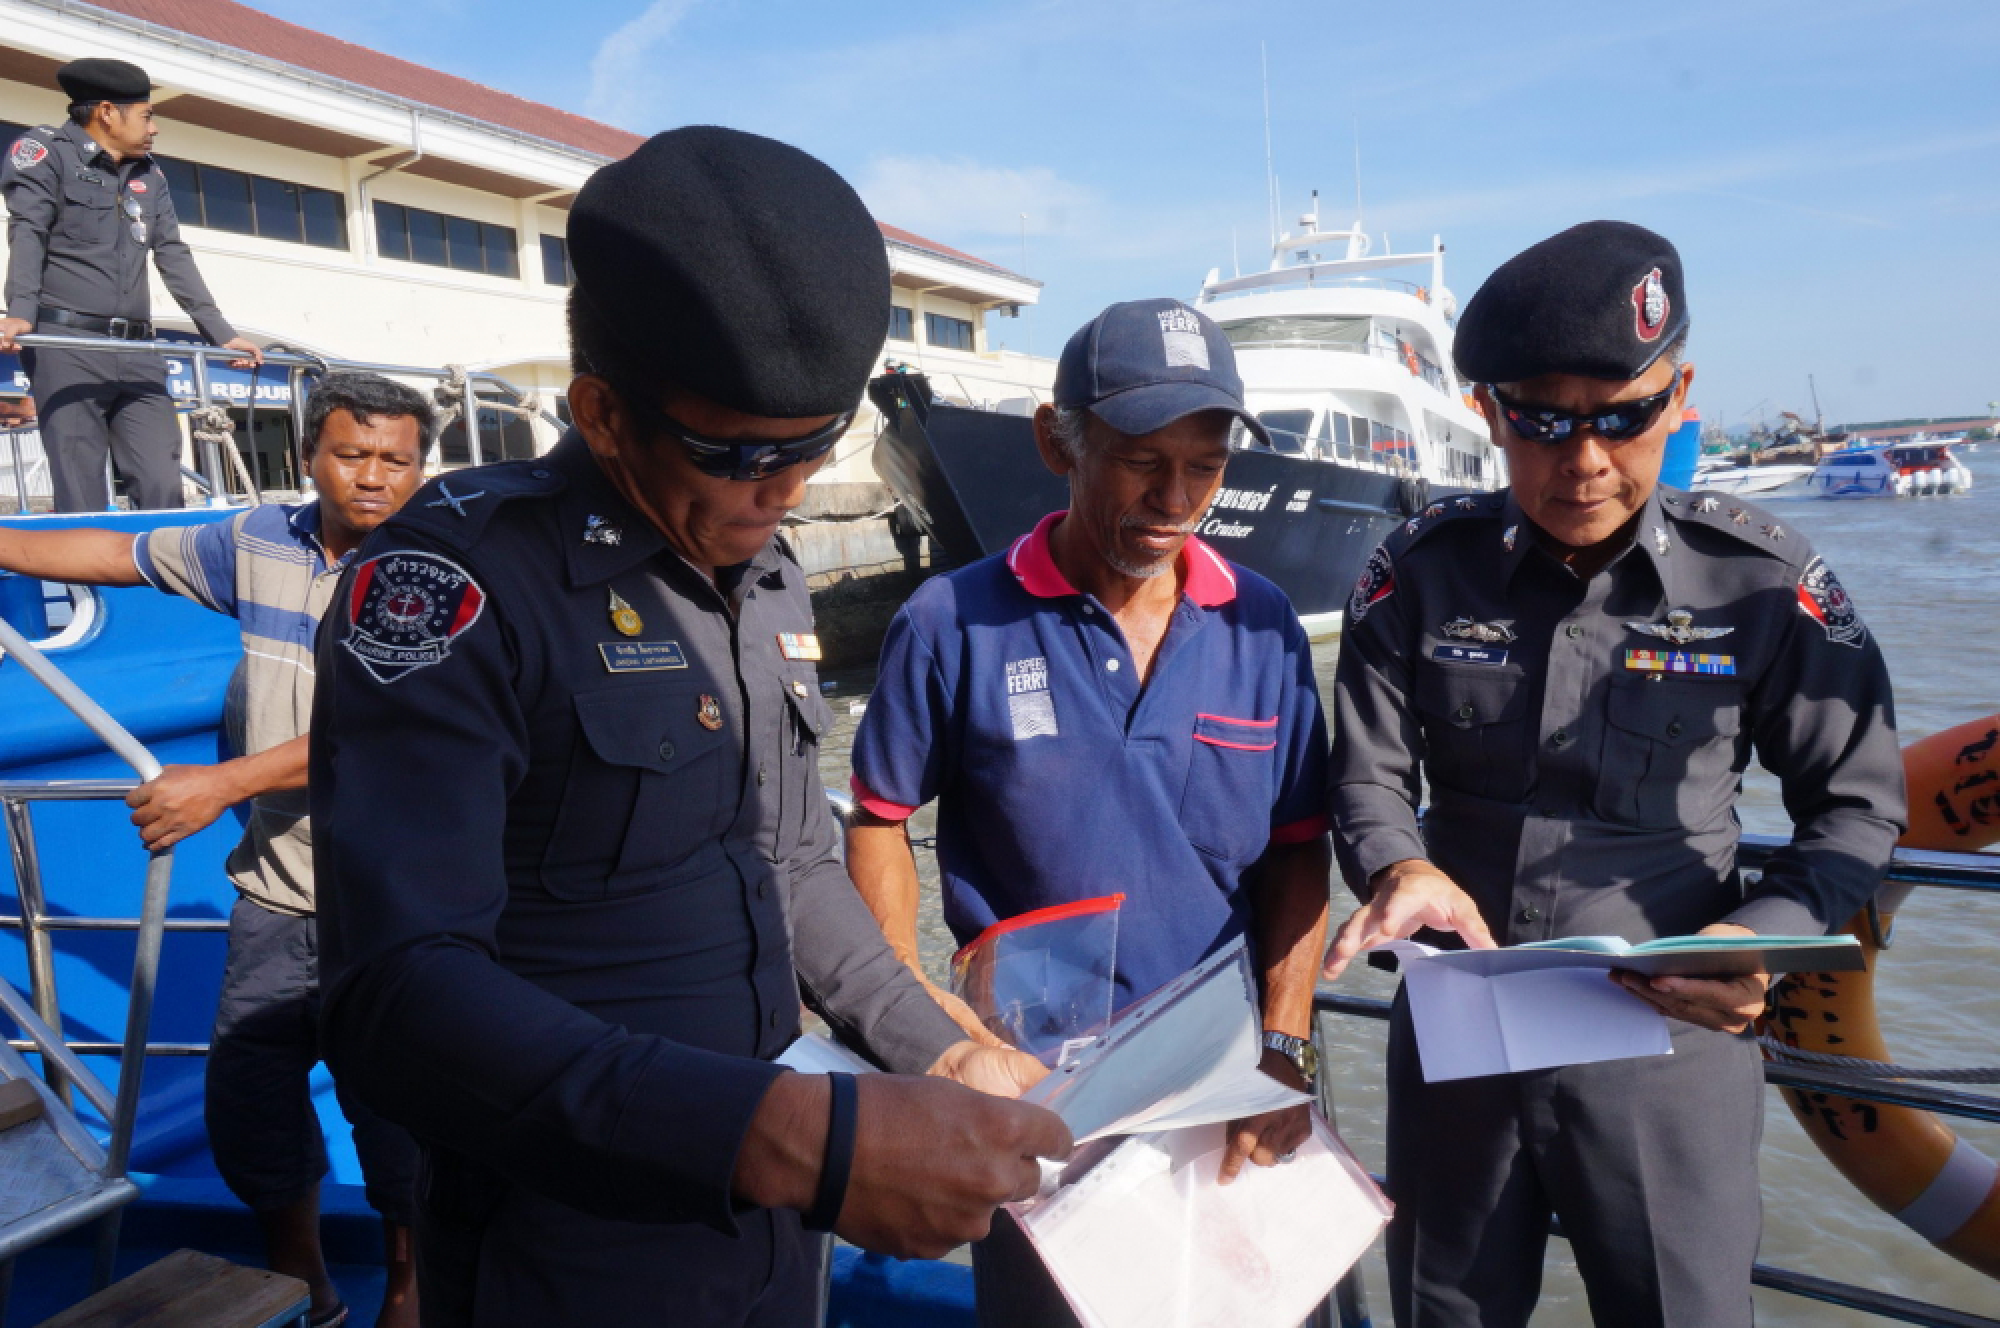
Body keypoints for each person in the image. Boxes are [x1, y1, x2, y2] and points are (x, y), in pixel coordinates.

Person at [307, 126, 1071, 1327]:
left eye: (815, 444)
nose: (787, 489)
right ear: (603, 412)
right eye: (741, 452)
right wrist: (784, 1133)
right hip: (573, 1248)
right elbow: (395, 994)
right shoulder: (457, 584)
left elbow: (790, 860)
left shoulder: (760, 572)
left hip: (776, 1228)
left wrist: (931, 1044)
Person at [1319, 220, 1906, 1327]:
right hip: (1461, 1037)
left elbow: (1857, 806)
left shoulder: (1762, 585)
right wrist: (1398, 865)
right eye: (1542, 419)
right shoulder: (1417, 572)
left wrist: (1758, 939)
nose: (1584, 459)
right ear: (1487, 410)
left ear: (1680, 395)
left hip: (1672, 1044)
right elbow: (1365, 774)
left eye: (1622, 416)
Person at [845, 298, 1332, 1325]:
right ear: (1054, 441)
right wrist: (914, 1011)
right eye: (1140, 461)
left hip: (1218, 1089)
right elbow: (878, 817)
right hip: (1029, 1092)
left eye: (1205, 467)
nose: (1175, 498)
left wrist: (1285, 1047)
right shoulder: (949, 621)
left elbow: (1297, 851)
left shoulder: (1265, 627)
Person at [0, 371, 432, 1327]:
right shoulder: (257, 541)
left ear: (420, 470)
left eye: (395, 461)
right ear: (309, 456)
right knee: (250, 1100)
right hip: (278, 894)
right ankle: (303, 1283)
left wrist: (224, 782)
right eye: (351, 454)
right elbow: (113, 551)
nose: (372, 477)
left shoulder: (444, 569)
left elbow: (390, 727)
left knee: (400, 1107)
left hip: (401, 903)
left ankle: (408, 1289)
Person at [0, 57, 261, 512]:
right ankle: (86, 560)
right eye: (146, 115)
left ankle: (157, 559)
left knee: (161, 479)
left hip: (139, 350)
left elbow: (172, 253)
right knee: (81, 487)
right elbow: (28, 231)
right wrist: (20, 311)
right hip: (68, 346)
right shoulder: (46, 153)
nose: (154, 128)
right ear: (107, 112)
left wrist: (221, 334)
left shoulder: (149, 174)